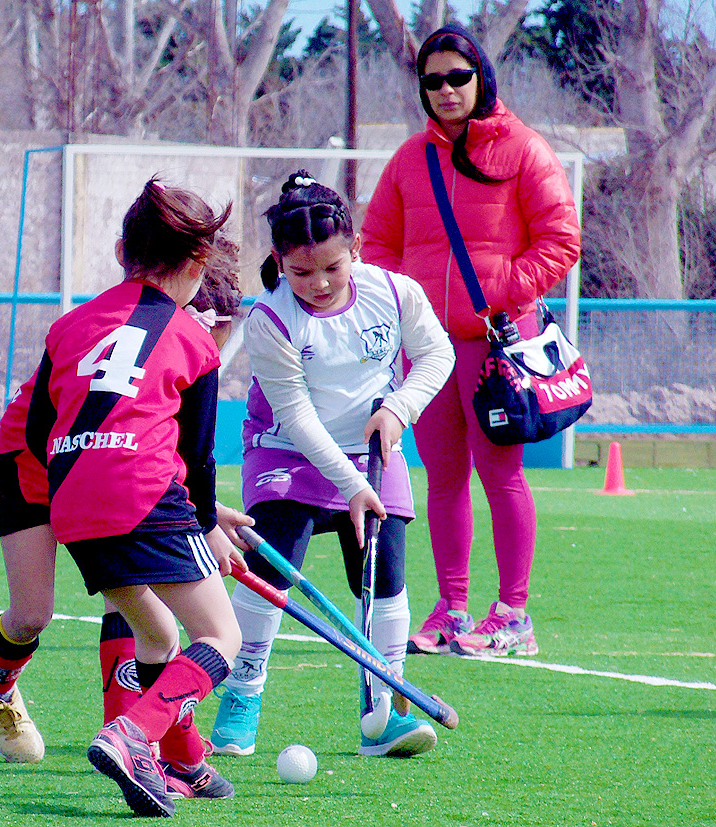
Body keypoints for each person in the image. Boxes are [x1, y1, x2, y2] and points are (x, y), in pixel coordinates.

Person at [0, 237, 251, 784]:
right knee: (32, 613)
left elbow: (155, 445)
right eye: (222, 328)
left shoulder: (143, 323)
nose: (223, 341)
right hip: (30, 462)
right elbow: (172, 452)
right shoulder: (171, 333)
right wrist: (198, 520)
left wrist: (200, 510)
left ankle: (168, 751)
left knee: (150, 622)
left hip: (94, 473)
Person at [206, 171, 454, 758]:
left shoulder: (394, 293)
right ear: (278, 263)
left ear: (356, 250)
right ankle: (243, 694)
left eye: (332, 268)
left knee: (384, 578)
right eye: (300, 273)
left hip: (373, 448)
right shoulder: (268, 320)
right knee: (274, 574)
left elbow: (436, 353)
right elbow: (297, 417)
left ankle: (382, 709)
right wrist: (351, 487)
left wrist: (399, 408)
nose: (318, 284)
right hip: (288, 451)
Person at [360, 23, 581, 657]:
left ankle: (514, 614)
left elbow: (561, 241)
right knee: (443, 479)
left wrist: (503, 287)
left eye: (458, 76)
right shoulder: (409, 160)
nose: (447, 90)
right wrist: (407, 306)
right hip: (429, 350)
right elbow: (376, 246)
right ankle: (452, 608)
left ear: (481, 76)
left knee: (501, 475)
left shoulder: (523, 148)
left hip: (497, 342)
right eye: (433, 81)